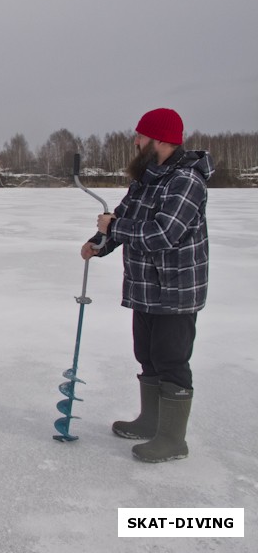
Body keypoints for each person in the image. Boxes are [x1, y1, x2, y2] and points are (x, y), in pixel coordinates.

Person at [81, 108, 214, 463]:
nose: (135, 142)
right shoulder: (147, 178)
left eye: (139, 136)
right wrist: (99, 243)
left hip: (176, 289)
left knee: (171, 361)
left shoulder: (186, 180)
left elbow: (163, 234)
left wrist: (113, 229)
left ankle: (172, 440)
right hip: (146, 287)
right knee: (148, 356)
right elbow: (124, 218)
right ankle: (150, 421)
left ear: (158, 139)